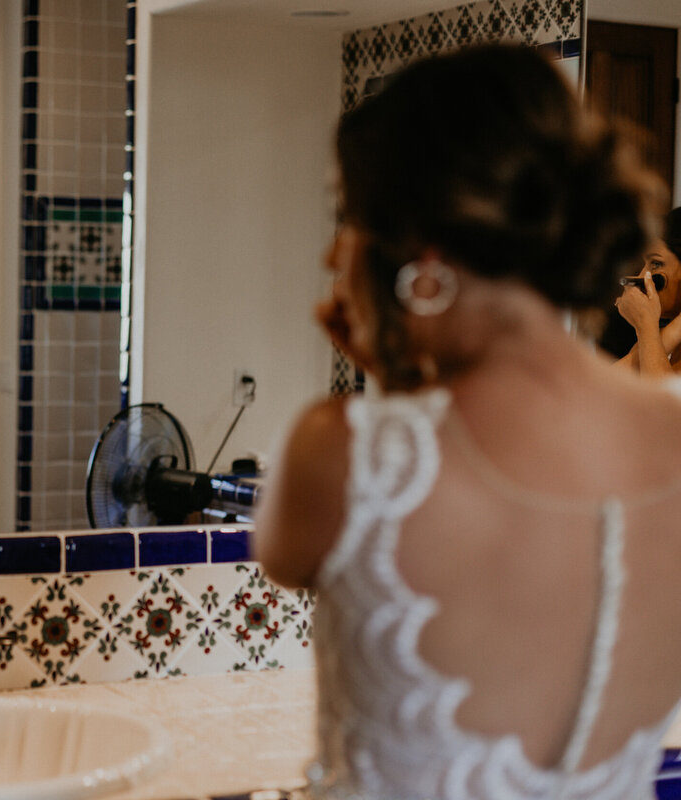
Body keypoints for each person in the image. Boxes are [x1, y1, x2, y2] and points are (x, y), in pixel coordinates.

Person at [254, 44, 681, 799]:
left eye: (347, 219)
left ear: (420, 253)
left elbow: (292, 556)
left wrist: (393, 385)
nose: (331, 255)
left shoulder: (344, 449)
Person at [612, 207, 681, 375]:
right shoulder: (661, 337)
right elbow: (599, 390)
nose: (643, 276)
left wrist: (646, 326)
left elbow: (664, 401)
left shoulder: (650, 332)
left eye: (655, 264)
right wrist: (670, 333)